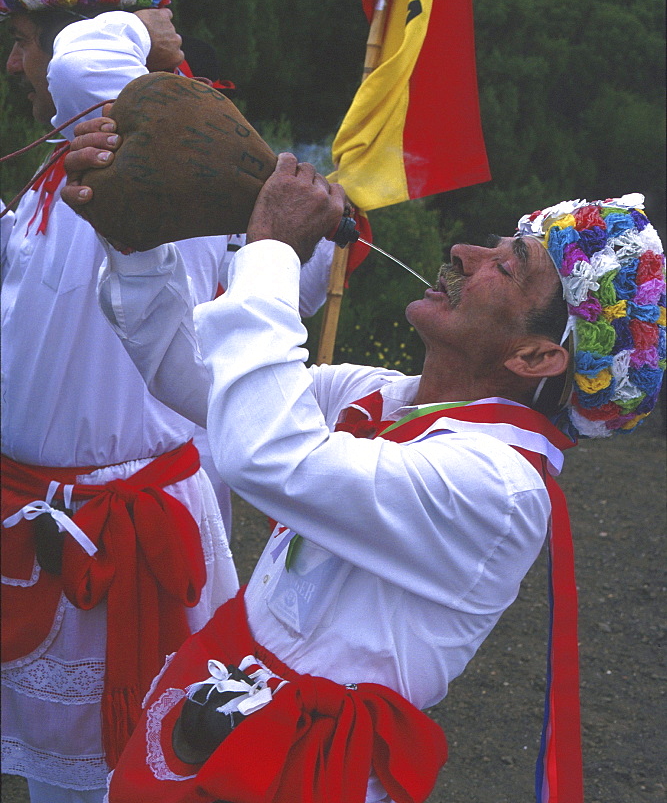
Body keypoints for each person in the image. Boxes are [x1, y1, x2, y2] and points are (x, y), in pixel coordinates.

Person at [61, 118, 666, 801]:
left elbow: (263, 455)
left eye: (508, 265)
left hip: (303, 768)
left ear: (534, 357)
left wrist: (270, 253)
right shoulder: (384, 397)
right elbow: (194, 376)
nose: (464, 251)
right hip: (223, 697)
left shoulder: (498, 488)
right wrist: (135, 244)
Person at [0, 0, 332, 803]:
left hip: (131, 535)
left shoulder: (155, 147)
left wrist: (133, 31)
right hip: (42, 526)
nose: (15, 63)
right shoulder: (73, 164)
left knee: (114, 779)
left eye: (22, 39)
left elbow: (82, 65)